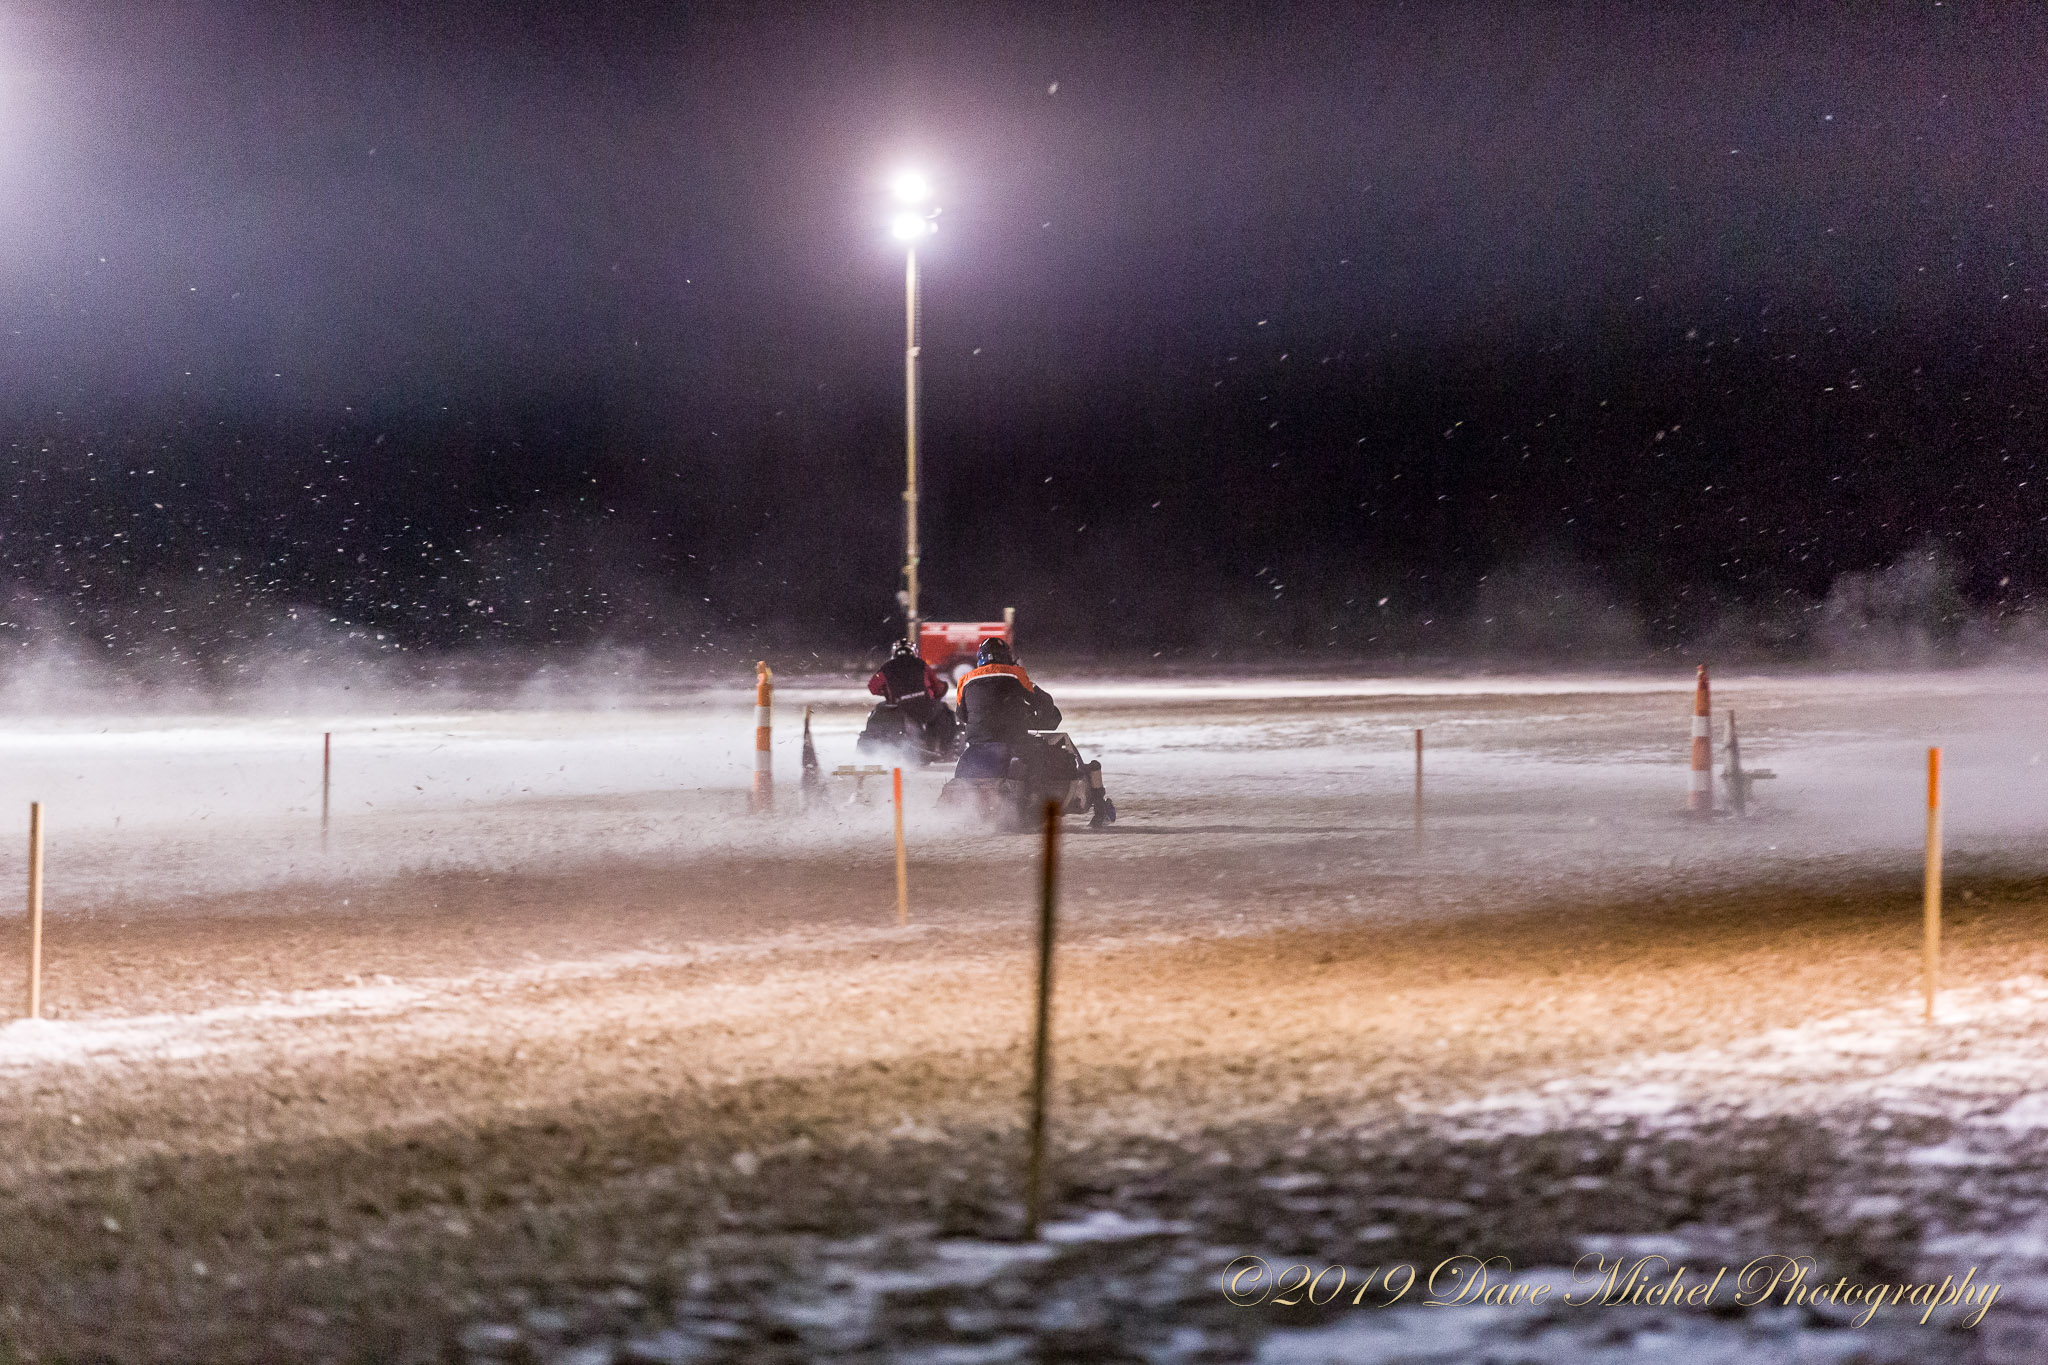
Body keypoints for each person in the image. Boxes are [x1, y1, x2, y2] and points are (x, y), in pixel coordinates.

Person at [865, 638, 957, 753]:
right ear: (913, 652)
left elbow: (873, 688)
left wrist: (888, 693)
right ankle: (944, 748)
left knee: (878, 712)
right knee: (946, 714)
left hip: (899, 707)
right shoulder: (921, 664)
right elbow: (937, 687)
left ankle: (868, 746)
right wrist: (936, 692)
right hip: (925, 706)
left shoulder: (887, 667)